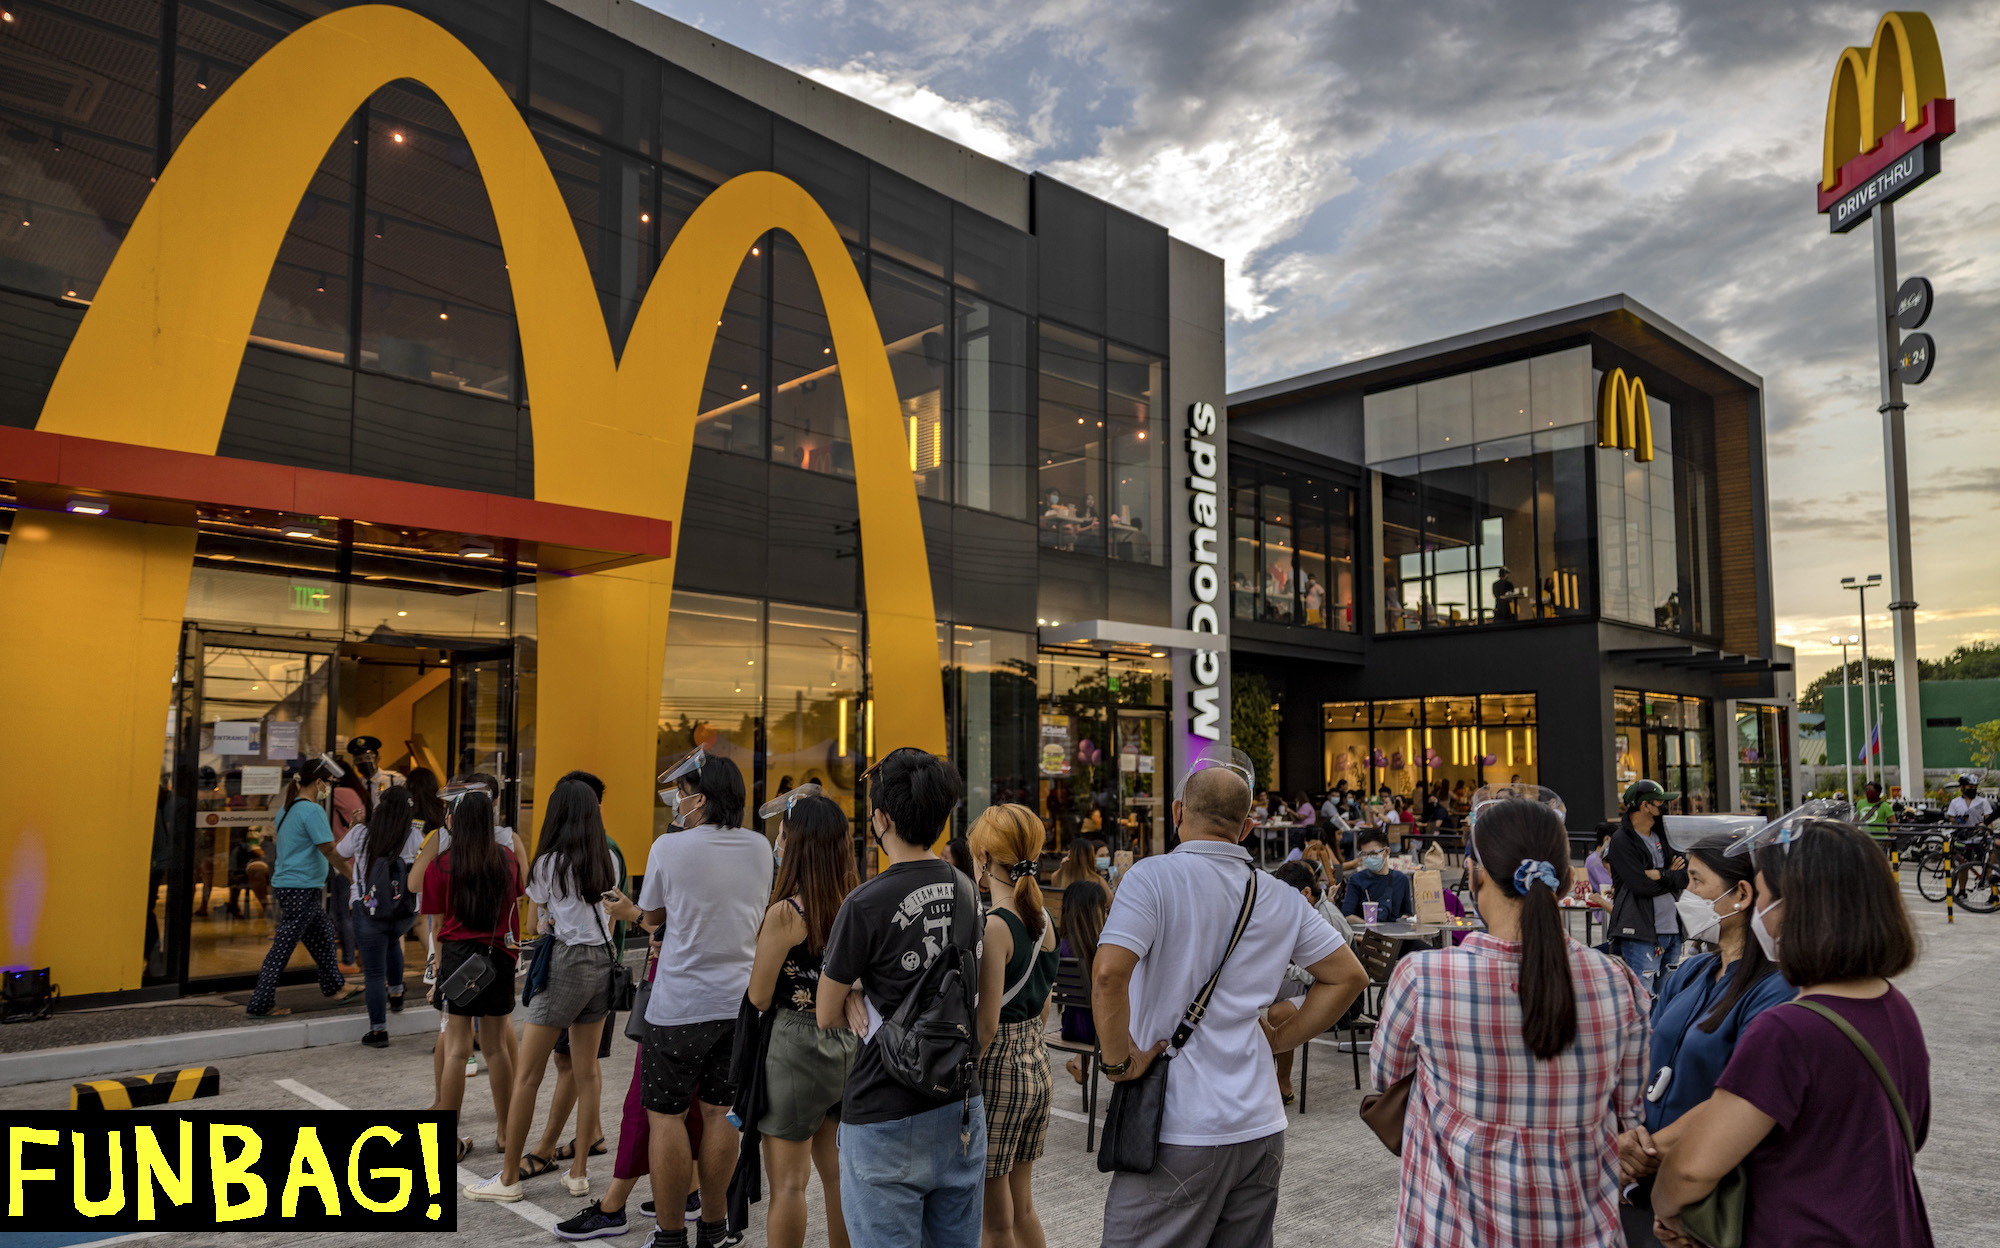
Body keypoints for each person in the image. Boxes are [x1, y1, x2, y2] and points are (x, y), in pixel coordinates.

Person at [1093, 762, 1366, 1248]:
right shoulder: (1282, 896)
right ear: (1248, 827)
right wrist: (1284, 1037)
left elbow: (1109, 974)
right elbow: (1348, 976)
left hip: (1176, 1128)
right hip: (1259, 1128)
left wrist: (1118, 1062)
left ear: (1177, 812)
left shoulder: (1150, 878)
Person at [1372, 797, 1650, 1248]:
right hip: (1583, 1232)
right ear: (1561, 881)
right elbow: (1630, 1113)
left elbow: (1388, 1078)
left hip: (1451, 1231)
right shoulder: (1619, 982)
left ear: (1475, 872)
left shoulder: (1424, 979)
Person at [1650, 819, 1930, 1248]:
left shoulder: (1788, 1029)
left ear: (1795, 907)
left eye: (1762, 896)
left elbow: (1692, 1167)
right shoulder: (1896, 1009)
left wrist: (1667, 1210)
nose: (1757, 911)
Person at [817, 748, 984, 1247]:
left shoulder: (864, 903)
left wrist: (861, 986)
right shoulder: (970, 892)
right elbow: (985, 1016)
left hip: (883, 1110)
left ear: (882, 818)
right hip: (960, 1106)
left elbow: (826, 1012)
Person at [1612, 829, 1792, 1246]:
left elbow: (1741, 1100)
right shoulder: (1694, 972)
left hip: (1708, 1194)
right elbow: (1644, 1055)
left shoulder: (1775, 989)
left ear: (1741, 894)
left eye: (1696, 881)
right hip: (1643, 1186)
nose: (1685, 894)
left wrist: (1643, 1153)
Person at [468, 778, 635, 1203]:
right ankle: (579, 1173)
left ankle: (508, 1179)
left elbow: (539, 913)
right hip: (601, 962)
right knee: (587, 1070)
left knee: (529, 1074)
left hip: (564, 963)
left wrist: (550, 922)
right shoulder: (608, 861)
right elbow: (608, 914)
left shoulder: (549, 863)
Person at [636, 751, 773, 1248]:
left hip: (678, 1004)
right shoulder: (761, 847)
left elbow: (651, 914)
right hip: (739, 1003)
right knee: (720, 1114)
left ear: (701, 798)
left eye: (682, 791)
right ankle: (713, 1228)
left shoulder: (668, 849)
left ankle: (669, 1235)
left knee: (666, 1117)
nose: (677, 800)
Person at [744, 791, 860, 1248]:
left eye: (783, 835)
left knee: (789, 1185)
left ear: (797, 844)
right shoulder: (855, 903)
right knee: (838, 1179)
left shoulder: (787, 913)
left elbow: (758, 993)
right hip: (847, 1041)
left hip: (794, 1045)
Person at [418, 789, 524, 1164]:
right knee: (496, 1048)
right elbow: (516, 905)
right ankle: (506, 1133)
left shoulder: (442, 864)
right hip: (498, 957)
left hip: (459, 958)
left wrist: (437, 969)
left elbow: (438, 923)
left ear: (455, 822)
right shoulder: (507, 861)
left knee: (456, 1048)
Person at [969, 804, 1059, 1248]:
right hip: (1037, 1064)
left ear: (984, 858)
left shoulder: (994, 927)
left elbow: (985, 1026)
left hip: (998, 1072)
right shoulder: (1045, 922)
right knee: (1022, 1207)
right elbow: (1043, 1009)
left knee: (994, 1221)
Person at [245, 758, 353, 1017]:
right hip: (300, 887)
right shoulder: (312, 811)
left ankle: (336, 987)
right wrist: (354, 876)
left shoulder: (288, 808)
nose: (328, 787)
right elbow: (329, 850)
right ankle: (260, 1004)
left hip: (291, 886)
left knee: (325, 931)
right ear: (318, 783)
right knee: (283, 946)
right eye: (327, 783)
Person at [336, 784, 425, 1045]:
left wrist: (354, 828)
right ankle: (396, 994)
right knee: (392, 942)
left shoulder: (362, 833)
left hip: (368, 910)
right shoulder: (414, 836)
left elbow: (339, 853)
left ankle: (378, 1031)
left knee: (374, 972)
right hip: (404, 912)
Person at [1267, 859, 1354, 1103]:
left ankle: (1283, 1083)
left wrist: (1284, 969)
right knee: (1256, 994)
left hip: (1335, 995)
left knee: (1278, 1014)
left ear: (1305, 892)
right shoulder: (1307, 909)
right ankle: (1260, 1077)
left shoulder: (1327, 919)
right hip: (1313, 985)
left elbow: (1328, 975)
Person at [1607, 779, 1686, 993]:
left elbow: (1684, 877)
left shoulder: (1665, 836)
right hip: (1640, 934)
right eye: (1661, 803)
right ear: (1645, 806)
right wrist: (1670, 875)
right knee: (1643, 998)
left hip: (1673, 931)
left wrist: (1660, 874)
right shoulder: (1622, 841)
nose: (1666, 808)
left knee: (1667, 997)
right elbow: (1640, 886)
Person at [1056, 880, 1107, 1085]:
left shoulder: (1061, 948)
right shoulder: (1101, 950)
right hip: (1099, 1030)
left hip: (1072, 1027)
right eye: (1103, 909)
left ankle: (1079, 1063)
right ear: (1092, 912)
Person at [327, 756, 372, 974]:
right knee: (354, 911)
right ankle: (361, 955)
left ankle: (348, 960)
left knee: (341, 912)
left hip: (343, 859)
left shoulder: (337, 794)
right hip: (357, 858)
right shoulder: (355, 793)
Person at [1341, 829, 1414, 923]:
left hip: (1395, 934)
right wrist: (1371, 927)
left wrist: (1400, 923)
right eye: (1365, 854)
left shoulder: (1401, 880)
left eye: (1373, 853)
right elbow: (1347, 915)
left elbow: (1407, 913)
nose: (1369, 858)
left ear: (1387, 851)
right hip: (1366, 935)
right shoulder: (1357, 880)